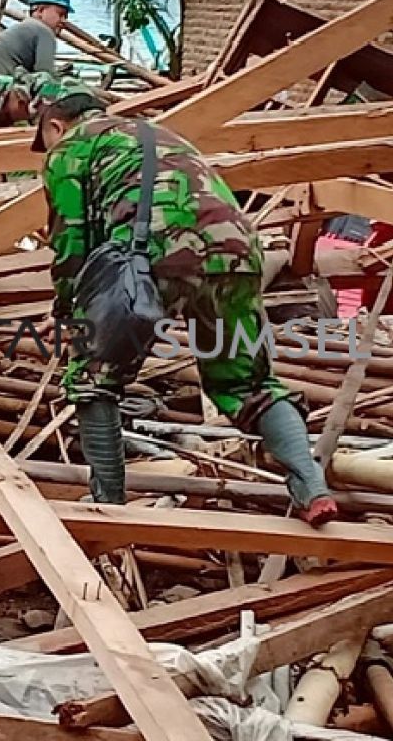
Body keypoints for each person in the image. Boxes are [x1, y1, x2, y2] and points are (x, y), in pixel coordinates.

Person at [34, 86, 340, 528]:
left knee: (93, 380)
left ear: (55, 126)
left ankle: (108, 506)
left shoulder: (69, 149)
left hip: (159, 255)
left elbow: (71, 242)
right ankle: (312, 487)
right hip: (238, 252)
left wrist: (66, 314)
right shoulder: (160, 134)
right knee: (246, 382)